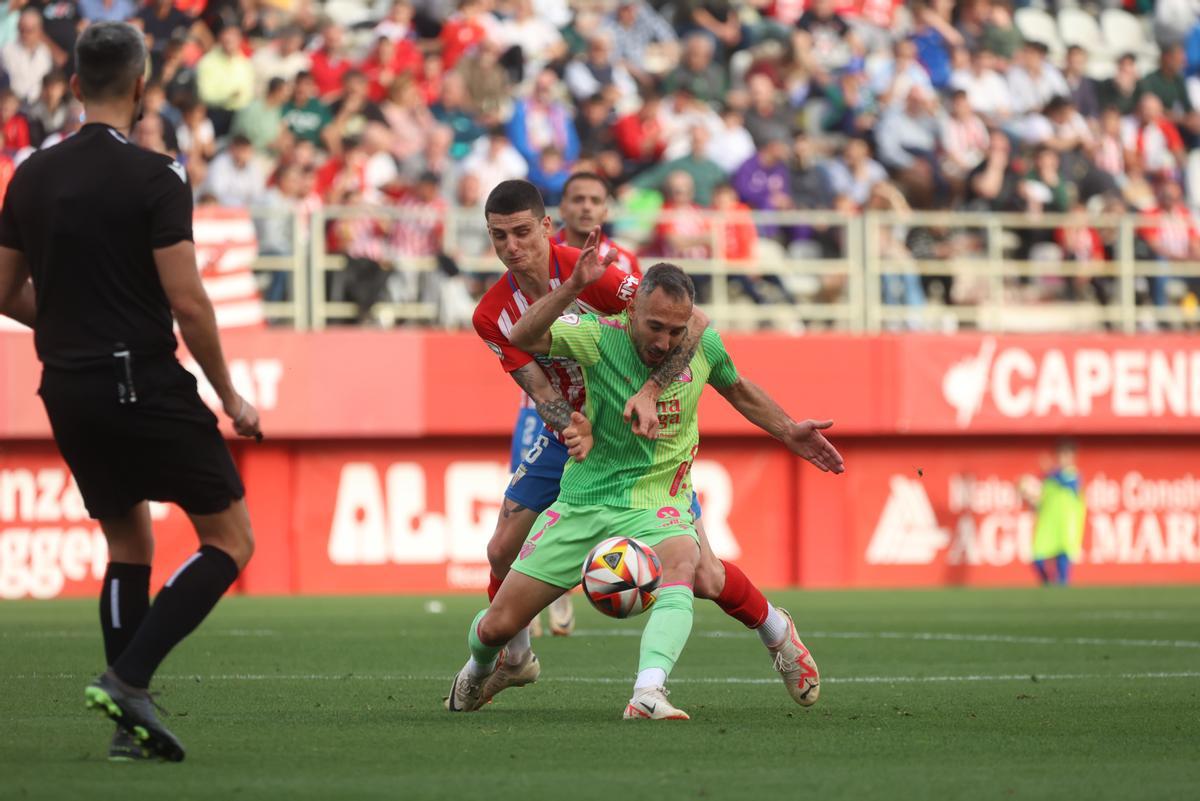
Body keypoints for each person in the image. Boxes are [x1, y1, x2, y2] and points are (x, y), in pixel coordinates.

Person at [0, 22, 261, 762]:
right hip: (139, 378)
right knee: (231, 538)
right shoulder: (158, 175)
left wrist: (69, 319)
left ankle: (128, 724)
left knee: (128, 541)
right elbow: (189, 302)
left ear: (76, 85)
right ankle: (129, 679)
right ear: (142, 87)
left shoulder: (31, 175)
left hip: (68, 385)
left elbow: (3, 291)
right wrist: (230, 395)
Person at [449, 257, 842, 718]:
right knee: (496, 626)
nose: (664, 342)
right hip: (584, 500)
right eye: (654, 326)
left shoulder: (702, 345)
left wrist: (789, 429)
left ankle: (649, 691)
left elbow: (738, 390)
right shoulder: (600, 336)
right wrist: (573, 285)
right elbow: (520, 337)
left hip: (662, 498)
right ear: (631, 308)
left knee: (687, 565)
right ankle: (478, 670)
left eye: (677, 332)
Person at [1019, 439, 1086, 586]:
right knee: (1038, 559)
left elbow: (1069, 484)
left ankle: (1062, 588)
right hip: (1047, 524)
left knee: (1063, 559)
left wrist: (1050, 471)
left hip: (1066, 525)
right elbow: (1040, 501)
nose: (1064, 459)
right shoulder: (1048, 479)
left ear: (1073, 457)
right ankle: (1048, 584)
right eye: (1061, 455)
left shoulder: (1072, 475)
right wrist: (1026, 496)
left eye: (1067, 455)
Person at [553, 171, 640, 277]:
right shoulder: (542, 254)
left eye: (595, 201)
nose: (586, 207)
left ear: (605, 212)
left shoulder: (626, 261)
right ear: (562, 209)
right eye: (578, 199)